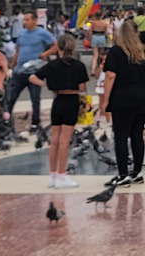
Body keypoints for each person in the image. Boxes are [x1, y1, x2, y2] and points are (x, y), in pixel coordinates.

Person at [99, 21, 145, 188]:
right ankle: (137, 172)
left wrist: (105, 100)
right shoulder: (141, 52)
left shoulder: (116, 52)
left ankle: (123, 174)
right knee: (137, 133)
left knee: (121, 136)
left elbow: (110, 76)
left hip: (125, 97)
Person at [30, 33, 89, 189]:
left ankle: (53, 175)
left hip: (57, 101)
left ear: (59, 48)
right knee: (65, 141)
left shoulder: (52, 65)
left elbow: (32, 77)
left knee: (54, 139)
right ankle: (62, 175)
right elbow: (82, 87)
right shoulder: (78, 66)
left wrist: (48, 86)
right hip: (71, 101)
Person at [5, 12, 59, 130]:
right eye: (24, 20)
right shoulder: (21, 33)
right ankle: (6, 119)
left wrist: (45, 54)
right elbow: (18, 50)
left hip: (34, 72)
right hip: (19, 71)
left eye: (27, 20)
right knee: (11, 97)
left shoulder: (42, 33)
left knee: (35, 98)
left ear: (35, 20)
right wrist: (12, 66)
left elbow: (56, 46)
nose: (25, 22)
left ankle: (35, 122)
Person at [89, 11, 111, 76]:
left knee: (95, 55)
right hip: (102, 37)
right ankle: (100, 68)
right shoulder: (105, 24)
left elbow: (90, 32)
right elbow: (106, 33)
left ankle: (93, 70)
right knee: (101, 54)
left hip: (94, 37)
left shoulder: (93, 23)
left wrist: (90, 38)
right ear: (102, 16)